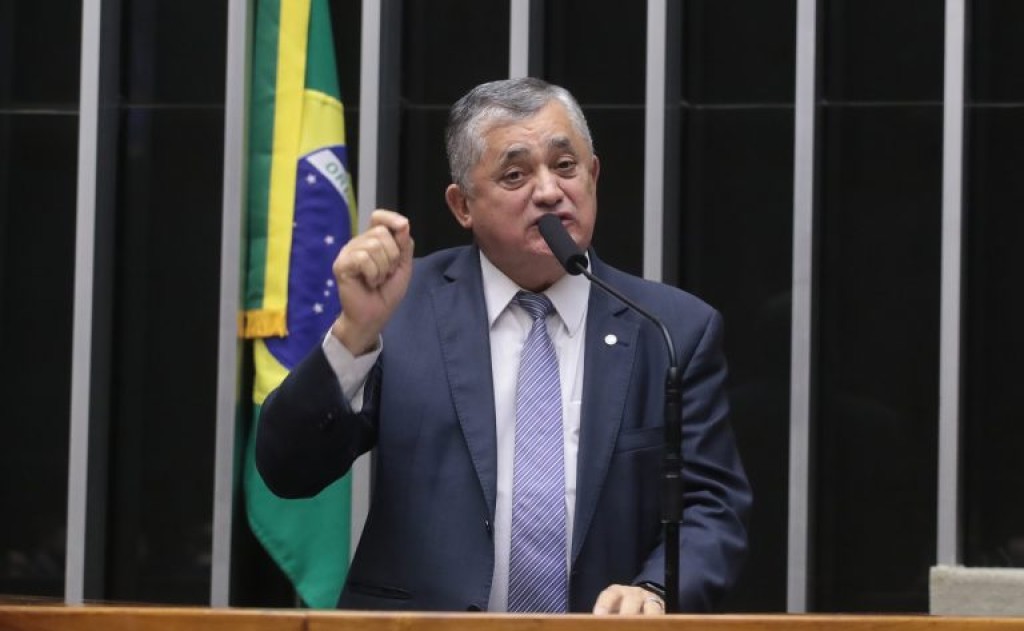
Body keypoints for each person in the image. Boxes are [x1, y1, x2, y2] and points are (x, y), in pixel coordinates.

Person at [256, 77, 750, 614]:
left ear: (593, 175)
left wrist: (655, 590)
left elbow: (712, 508)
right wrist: (354, 335)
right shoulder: (401, 306)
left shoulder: (670, 330)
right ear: (462, 205)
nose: (549, 191)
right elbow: (289, 470)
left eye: (566, 166)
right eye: (516, 175)